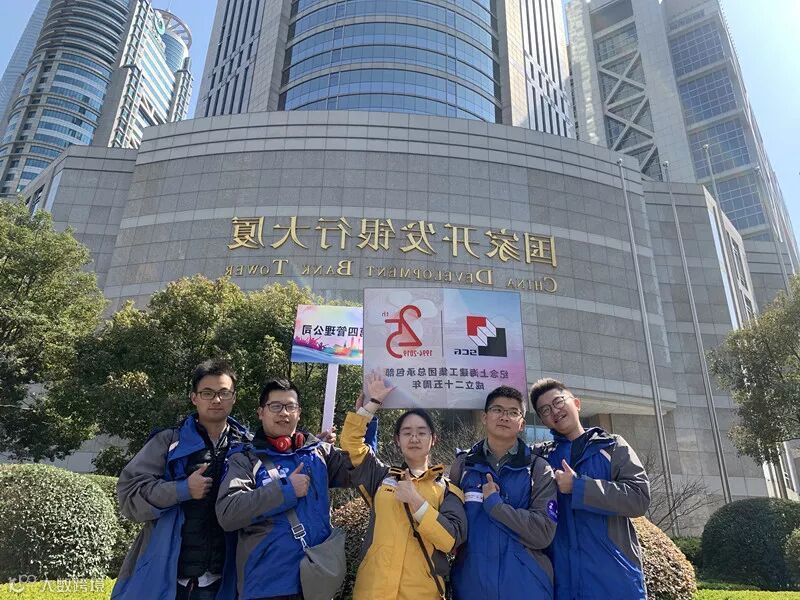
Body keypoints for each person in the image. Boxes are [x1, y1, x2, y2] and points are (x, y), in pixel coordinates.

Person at [113, 359, 250, 600]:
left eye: (224, 392)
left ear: (234, 397)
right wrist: (182, 489)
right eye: (207, 393)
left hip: (227, 579)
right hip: (170, 577)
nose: (216, 400)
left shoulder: (248, 447)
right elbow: (129, 494)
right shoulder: (168, 441)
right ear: (194, 397)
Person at [215, 378, 356, 600]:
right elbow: (228, 512)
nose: (284, 413)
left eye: (290, 406)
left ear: (299, 413)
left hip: (316, 583)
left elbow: (360, 469)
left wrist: (366, 413)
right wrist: (286, 490)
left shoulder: (318, 453)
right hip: (267, 587)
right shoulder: (245, 458)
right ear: (261, 412)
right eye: (275, 406)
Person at [339, 371, 467, 600]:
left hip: (422, 594)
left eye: (421, 433)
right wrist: (372, 404)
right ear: (397, 440)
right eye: (407, 433)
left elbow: (450, 540)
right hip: (372, 591)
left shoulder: (449, 490)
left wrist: (418, 504)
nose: (414, 438)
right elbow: (351, 445)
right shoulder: (380, 477)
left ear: (433, 439)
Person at [530, 377, 650, 600]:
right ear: (543, 421)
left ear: (576, 403)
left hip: (615, 580)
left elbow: (639, 498)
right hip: (563, 584)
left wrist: (579, 487)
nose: (554, 411)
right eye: (545, 410)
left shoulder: (612, 446)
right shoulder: (540, 457)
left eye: (558, 402)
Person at [449, 385, 558, 600]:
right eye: (497, 410)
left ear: (522, 424)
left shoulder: (538, 468)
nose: (504, 417)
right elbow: (452, 526)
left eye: (513, 412)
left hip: (526, 588)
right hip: (472, 586)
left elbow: (543, 532)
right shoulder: (462, 466)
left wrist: (496, 507)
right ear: (485, 417)